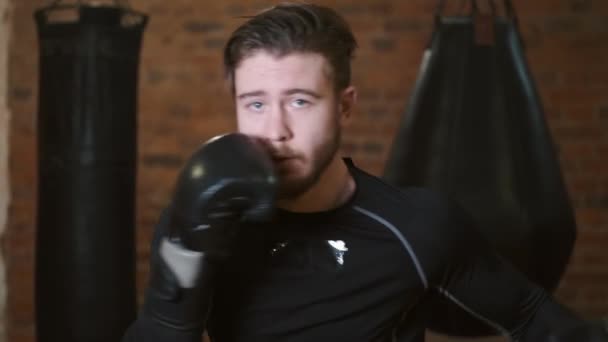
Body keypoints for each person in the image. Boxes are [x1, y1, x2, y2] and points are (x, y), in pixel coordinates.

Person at [122, 3, 608, 341]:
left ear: (345, 107)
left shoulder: (416, 226)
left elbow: (531, 316)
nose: (276, 130)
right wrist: (183, 248)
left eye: (299, 101)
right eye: (254, 103)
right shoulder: (202, 221)